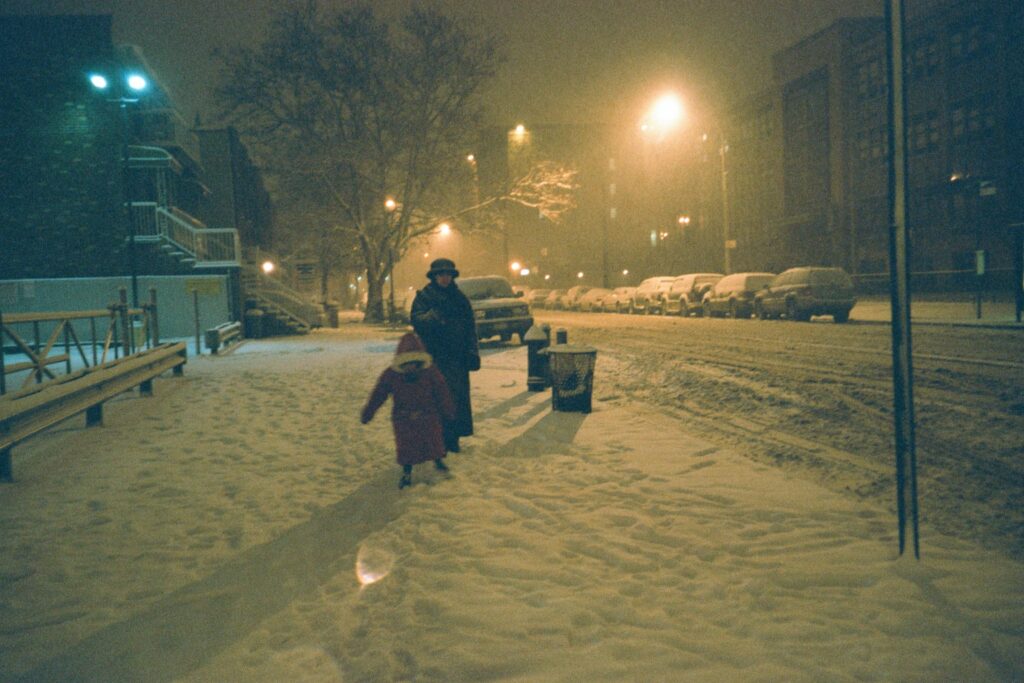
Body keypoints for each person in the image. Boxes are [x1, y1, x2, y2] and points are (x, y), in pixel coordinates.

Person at [361, 332, 455, 489]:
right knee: (407, 446)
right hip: (403, 417)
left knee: (433, 440)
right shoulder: (391, 375)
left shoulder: (430, 372)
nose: (410, 367)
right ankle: (407, 470)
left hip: (428, 414)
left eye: (413, 363)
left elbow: (442, 391)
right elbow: (379, 393)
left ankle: (438, 460)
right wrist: (368, 412)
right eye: (406, 363)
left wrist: (448, 410)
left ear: (419, 361)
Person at [410, 258, 480, 453]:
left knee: (456, 398)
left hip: (457, 358)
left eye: (448, 274)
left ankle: (453, 437)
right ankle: (436, 438)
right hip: (433, 357)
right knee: (435, 399)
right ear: (434, 276)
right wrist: (435, 315)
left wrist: (472, 351)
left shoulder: (460, 298)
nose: (445, 278)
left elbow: (470, 328)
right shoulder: (425, 297)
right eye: (441, 274)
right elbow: (417, 320)